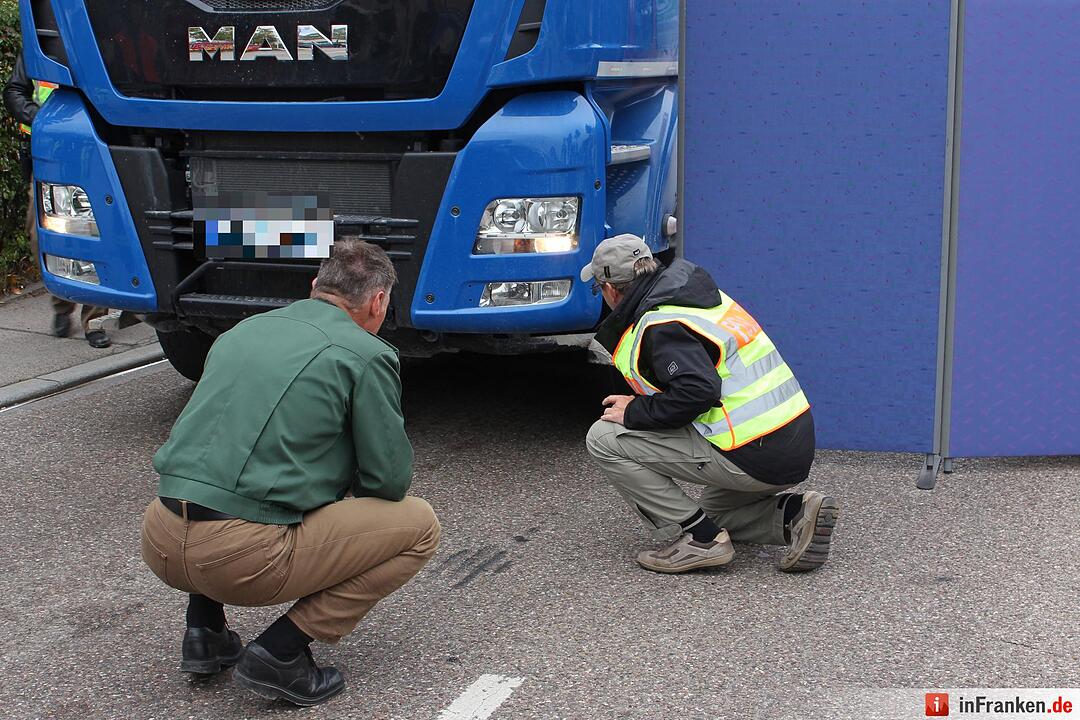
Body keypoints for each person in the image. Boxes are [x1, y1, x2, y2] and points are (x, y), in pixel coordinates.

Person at [140, 239, 440, 706]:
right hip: (240, 561)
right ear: (379, 301)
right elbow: (389, 482)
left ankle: (204, 630)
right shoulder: (366, 353)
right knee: (419, 525)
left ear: (314, 286)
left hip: (159, 538)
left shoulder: (243, 331)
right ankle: (280, 653)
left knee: (217, 479)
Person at [582, 234, 838, 574]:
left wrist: (634, 412)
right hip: (790, 447)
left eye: (598, 288)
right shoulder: (699, 300)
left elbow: (698, 391)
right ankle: (796, 515)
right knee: (713, 514)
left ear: (611, 289)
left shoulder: (661, 325)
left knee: (602, 437)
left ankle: (701, 541)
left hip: (749, 450)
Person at [3, 53, 111, 347]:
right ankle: (62, 304)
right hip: (48, 154)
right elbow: (14, 91)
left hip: (90, 152)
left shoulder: (92, 41)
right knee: (41, 233)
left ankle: (95, 319)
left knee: (91, 231)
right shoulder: (37, 48)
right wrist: (42, 120)